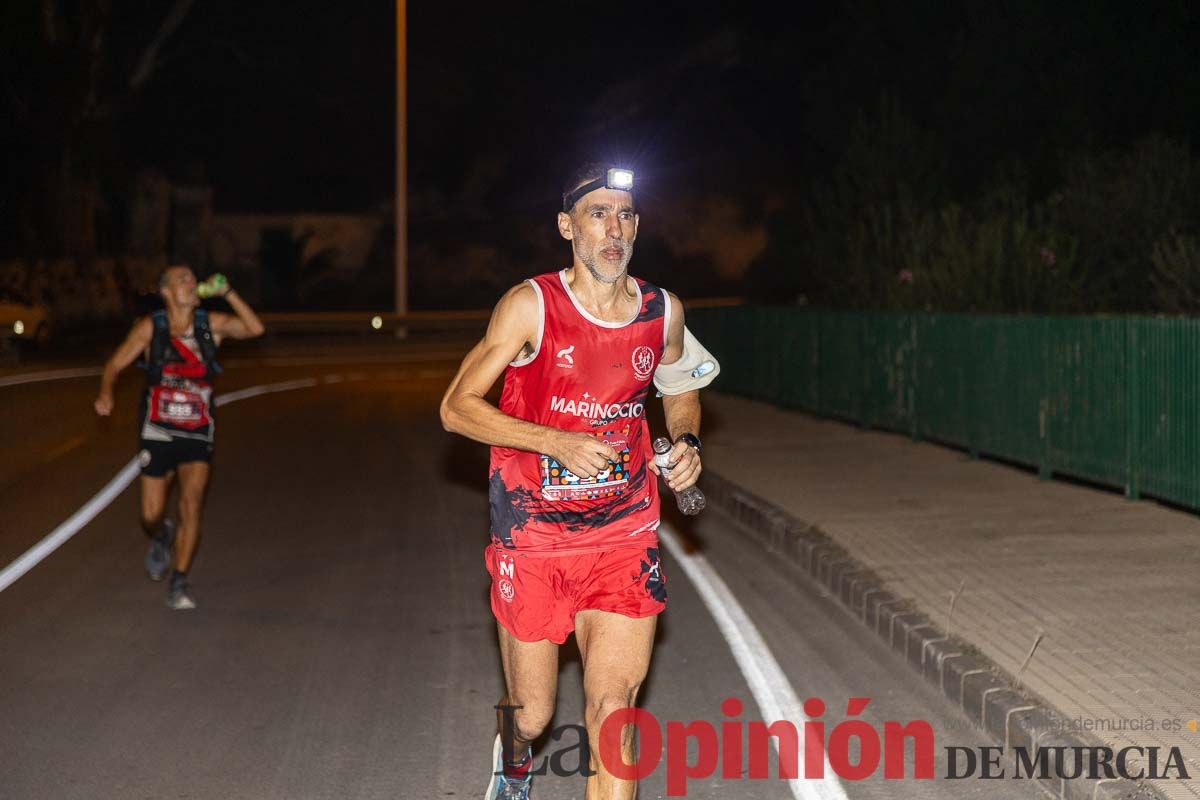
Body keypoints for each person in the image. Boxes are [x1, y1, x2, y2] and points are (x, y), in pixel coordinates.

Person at [440, 162, 707, 799]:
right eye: (597, 214)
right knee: (531, 714)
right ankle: (512, 758)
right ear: (567, 227)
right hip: (532, 535)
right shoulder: (530, 306)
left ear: (637, 226)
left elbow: (681, 385)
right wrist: (553, 440)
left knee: (613, 708)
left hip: (622, 532)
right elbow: (456, 408)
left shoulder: (660, 311)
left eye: (625, 215)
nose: (613, 229)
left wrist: (688, 442)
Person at [94, 266, 264, 610]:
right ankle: (162, 535)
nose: (190, 282)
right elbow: (113, 364)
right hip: (157, 430)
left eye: (191, 278)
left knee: (191, 502)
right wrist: (106, 392)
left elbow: (255, 328)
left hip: (198, 430)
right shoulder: (150, 328)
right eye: (181, 280)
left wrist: (228, 292)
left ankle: (179, 579)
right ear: (167, 292)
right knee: (150, 514)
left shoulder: (209, 324)